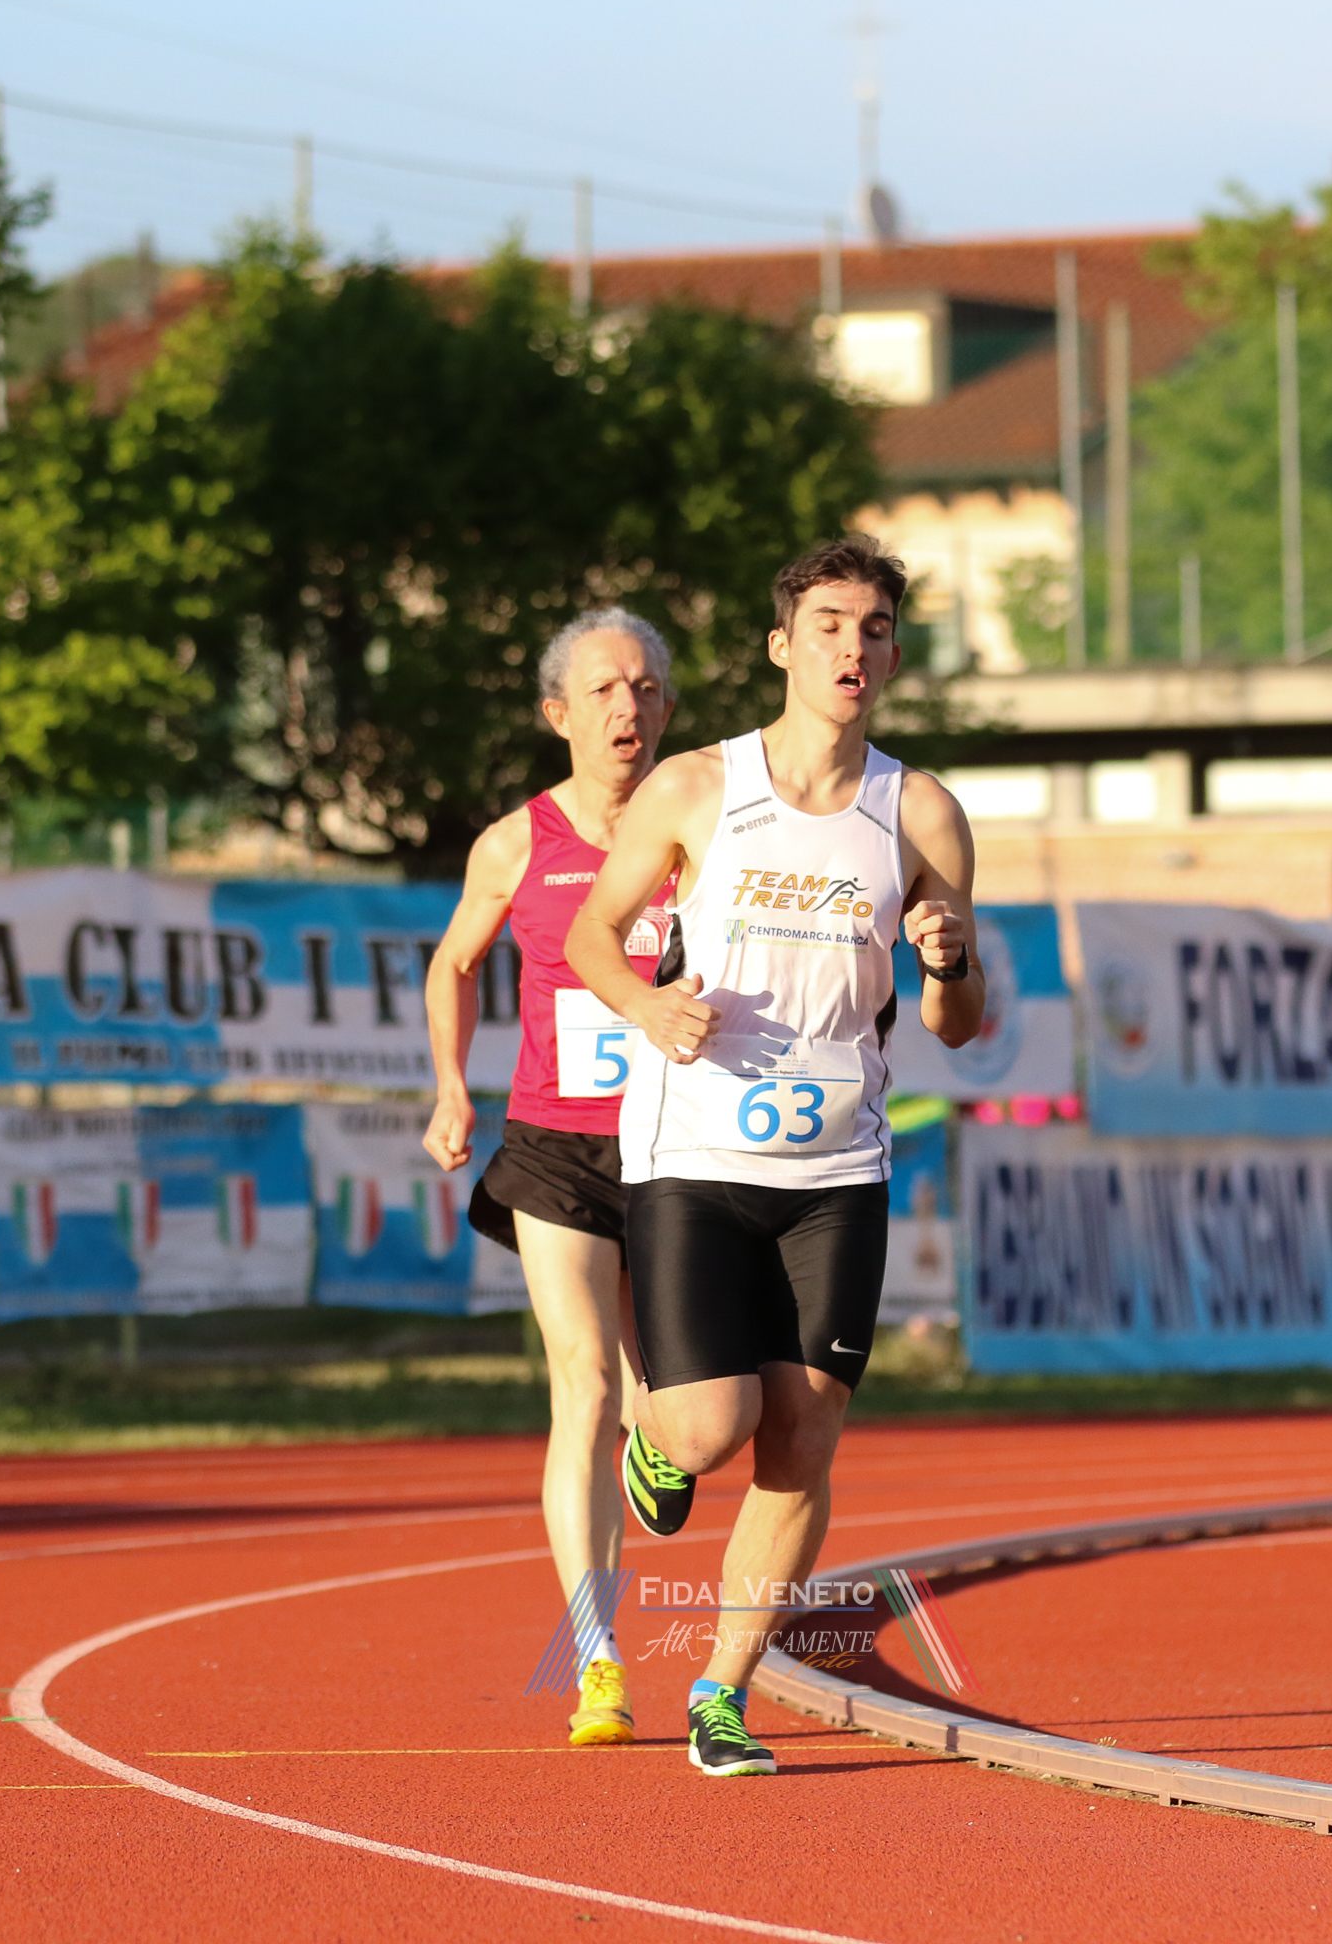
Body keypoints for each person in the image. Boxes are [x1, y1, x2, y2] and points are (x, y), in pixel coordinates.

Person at [565, 535, 983, 1776]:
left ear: (894, 656)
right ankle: (657, 1437)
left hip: (837, 1169)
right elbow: (592, 934)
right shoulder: (697, 786)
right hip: (694, 1150)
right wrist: (647, 1006)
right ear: (782, 646)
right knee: (712, 1428)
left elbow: (960, 1023)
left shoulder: (920, 811)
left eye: (875, 629)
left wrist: (951, 958)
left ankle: (721, 1691)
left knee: (804, 1438)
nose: (854, 647)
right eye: (830, 626)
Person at [423, 607, 682, 1749]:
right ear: (558, 714)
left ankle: (661, 1434)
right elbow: (454, 962)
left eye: (647, 688)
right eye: (606, 690)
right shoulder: (513, 844)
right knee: (582, 1382)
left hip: (679, 1148)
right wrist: (451, 1088)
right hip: (554, 1148)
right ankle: (597, 1656)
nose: (630, 707)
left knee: (673, 1407)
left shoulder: (701, 826)